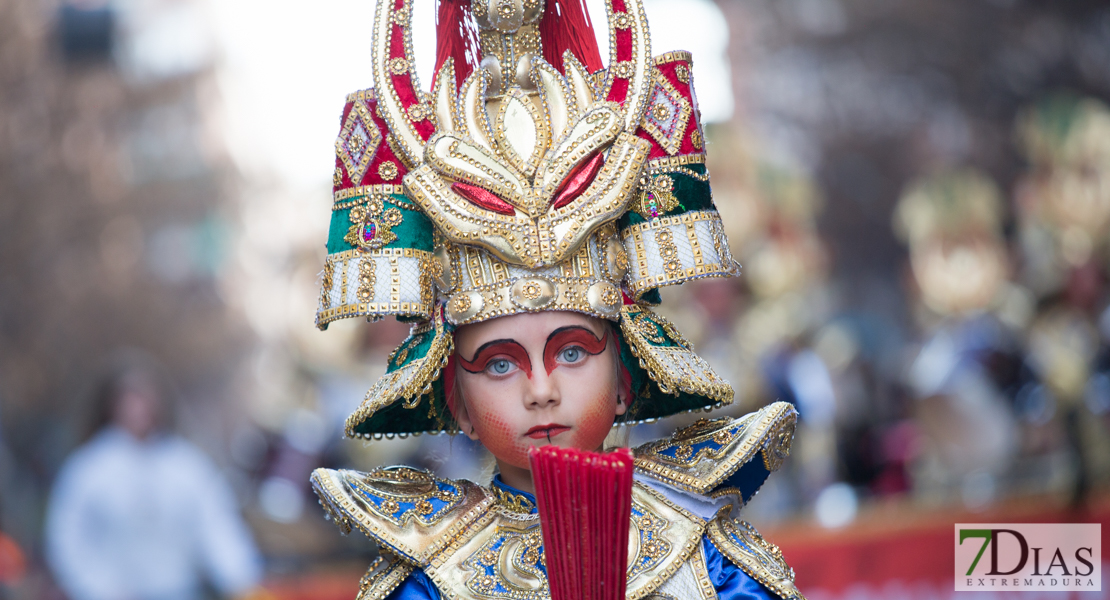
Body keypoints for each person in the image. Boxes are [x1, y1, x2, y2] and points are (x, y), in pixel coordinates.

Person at [309, 0, 805, 598]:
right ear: (455, 399)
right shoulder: (430, 583)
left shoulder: (710, 564)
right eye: (498, 363)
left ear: (625, 374)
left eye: (572, 353)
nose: (541, 390)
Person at [45, 355, 263, 600]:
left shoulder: (186, 466)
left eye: (144, 399)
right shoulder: (88, 468)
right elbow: (67, 538)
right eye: (129, 399)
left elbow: (216, 524)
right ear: (111, 404)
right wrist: (95, 588)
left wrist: (241, 581)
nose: (137, 409)